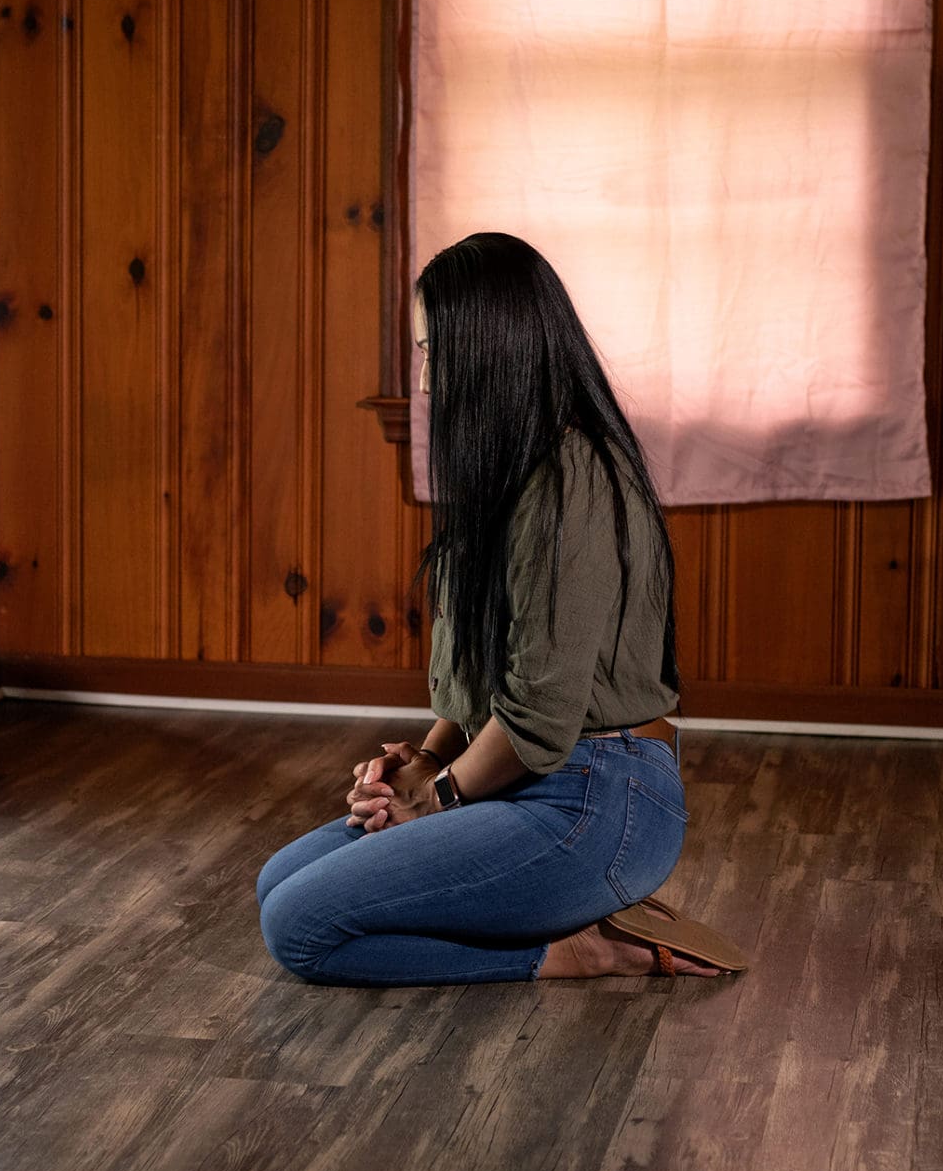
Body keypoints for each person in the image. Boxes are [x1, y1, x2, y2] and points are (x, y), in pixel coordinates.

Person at [254, 232, 748, 984]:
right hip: (521, 777)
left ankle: (569, 951)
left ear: (492, 348)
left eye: (433, 352)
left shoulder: (573, 477)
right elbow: (490, 687)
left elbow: (542, 715)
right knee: (277, 885)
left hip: (597, 801)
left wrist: (439, 797)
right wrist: (415, 767)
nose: (425, 381)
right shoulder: (510, 477)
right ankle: (544, 909)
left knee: (300, 927)